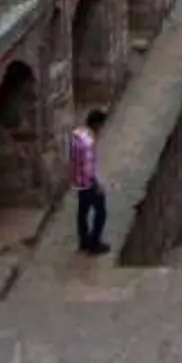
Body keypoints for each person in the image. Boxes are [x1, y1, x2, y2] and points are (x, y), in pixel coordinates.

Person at [69, 108, 110, 256]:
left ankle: (84, 241)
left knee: (83, 212)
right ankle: (94, 243)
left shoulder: (77, 134)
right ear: (96, 124)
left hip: (78, 181)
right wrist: (96, 185)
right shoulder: (88, 142)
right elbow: (88, 167)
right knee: (101, 211)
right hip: (87, 182)